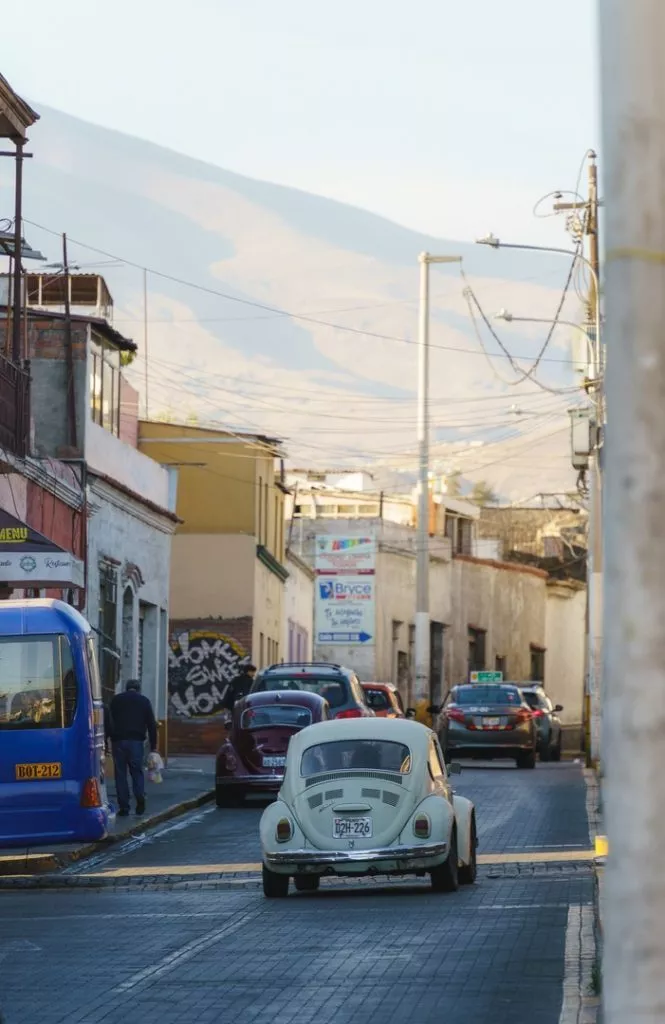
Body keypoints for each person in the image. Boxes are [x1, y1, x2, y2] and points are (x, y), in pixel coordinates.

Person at [107, 679, 158, 817]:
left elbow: (109, 720)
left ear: (127, 688)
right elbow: (151, 725)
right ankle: (139, 796)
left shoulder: (116, 700)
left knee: (120, 775)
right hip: (136, 741)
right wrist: (154, 746)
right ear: (138, 689)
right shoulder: (144, 701)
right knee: (137, 772)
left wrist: (107, 740)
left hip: (118, 741)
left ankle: (124, 807)